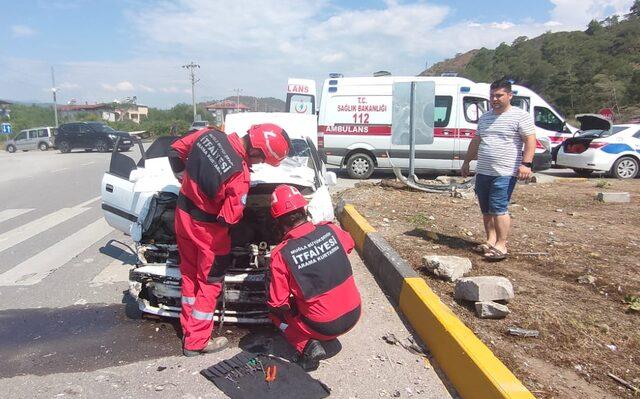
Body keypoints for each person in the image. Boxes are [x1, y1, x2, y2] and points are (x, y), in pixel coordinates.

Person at [168, 123, 290, 356]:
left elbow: (175, 151)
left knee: (189, 276)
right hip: (208, 233)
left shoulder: (209, 134)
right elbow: (229, 218)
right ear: (256, 150)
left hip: (182, 215)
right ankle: (196, 342)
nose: (258, 163)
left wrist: (186, 182)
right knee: (210, 283)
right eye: (261, 159)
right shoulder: (239, 176)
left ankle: (188, 328)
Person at [267, 184, 362, 371]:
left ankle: (306, 346)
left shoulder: (281, 255)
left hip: (324, 326)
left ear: (278, 221)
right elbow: (349, 245)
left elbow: (278, 303)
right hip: (354, 314)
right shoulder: (331, 230)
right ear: (304, 209)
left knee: (275, 315)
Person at [461, 78, 536, 261]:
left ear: (509, 95)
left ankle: (501, 245)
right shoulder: (486, 117)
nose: (494, 99)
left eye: (499, 95)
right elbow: (477, 141)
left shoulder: (520, 116)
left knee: (498, 208)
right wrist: (467, 161)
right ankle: (490, 240)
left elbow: (530, 140)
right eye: (492, 95)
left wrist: (526, 164)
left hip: (504, 172)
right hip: (484, 171)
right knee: (486, 209)